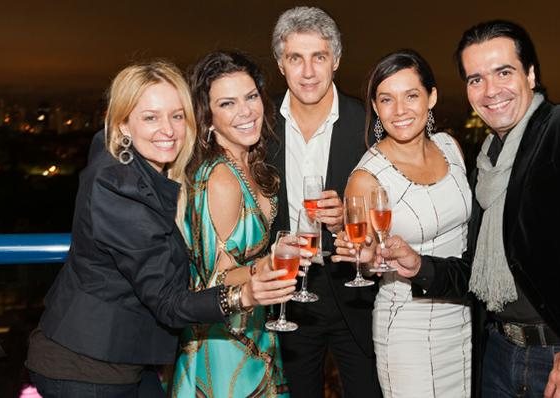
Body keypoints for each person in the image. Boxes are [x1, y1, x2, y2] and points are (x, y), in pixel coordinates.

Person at [379, 20, 560, 398]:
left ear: (531, 74)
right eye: (475, 79)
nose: (490, 91)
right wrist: (420, 266)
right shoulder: (485, 165)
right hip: (499, 356)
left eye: (503, 72)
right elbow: (478, 273)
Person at [26, 60, 295, 397]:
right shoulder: (118, 189)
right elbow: (169, 303)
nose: (167, 130)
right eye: (150, 117)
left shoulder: (130, 162)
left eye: (177, 115)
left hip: (128, 358)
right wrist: (246, 294)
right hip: (86, 366)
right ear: (123, 125)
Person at [333, 50, 473, 397]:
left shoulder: (451, 147)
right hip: (408, 329)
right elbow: (364, 254)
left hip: (466, 320)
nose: (400, 110)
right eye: (386, 99)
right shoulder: (366, 178)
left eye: (411, 95)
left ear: (432, 97)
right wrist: (363, 258)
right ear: (376, 108)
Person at [267, 6, 381, 397]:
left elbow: (391, 206)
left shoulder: (368, 123)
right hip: (288, 295)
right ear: (281, 64)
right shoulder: (260, 126)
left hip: (355, 292)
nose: (308, 71)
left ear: (336, 59)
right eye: (295, 58)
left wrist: (347, 221)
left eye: (318, 57)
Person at [169, 51, 295, 397]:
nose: (246, 111)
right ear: (207, 118)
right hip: (223, 343)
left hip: (253, 327)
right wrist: (267, 266)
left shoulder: (251, 164)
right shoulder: (220, 178)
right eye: (227, 103)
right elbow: (215, 279)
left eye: (251, 96)